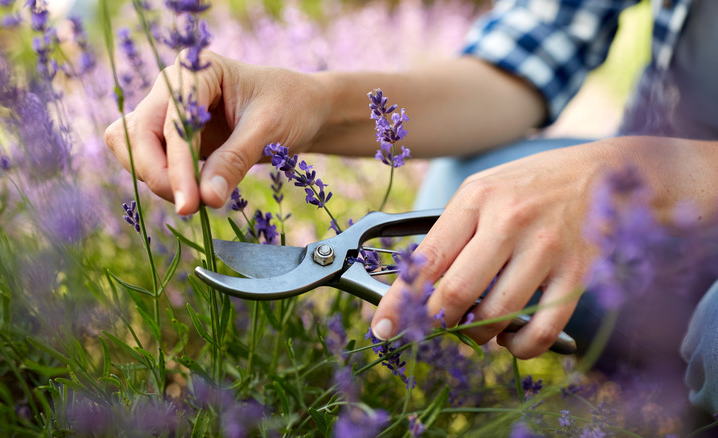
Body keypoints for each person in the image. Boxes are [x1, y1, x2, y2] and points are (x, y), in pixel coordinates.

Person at [105, 0, 718, 415]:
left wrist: (628, 173)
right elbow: (510, 73)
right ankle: (654, 353)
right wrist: (313, 99)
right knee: (468, 189)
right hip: (662, 216)